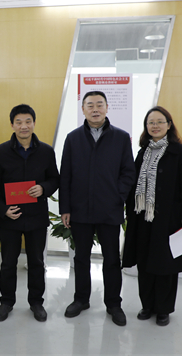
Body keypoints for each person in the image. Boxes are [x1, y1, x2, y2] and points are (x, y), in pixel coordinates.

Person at [59, 90, 135, 326]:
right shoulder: (73, 138)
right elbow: (65, 176)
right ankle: (81, 299)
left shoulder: (121, 138)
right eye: (90, 105)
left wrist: (117, 197)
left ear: (107, 108)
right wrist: (65, 208)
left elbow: (128, 172)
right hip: (80, 210)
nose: (95, 109)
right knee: (81, 258)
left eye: (99, 105)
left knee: (111, 259)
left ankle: (113, 304)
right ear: (83, 109)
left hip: (109, 210)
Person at [122, 106, 182, 327]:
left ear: (169, 124)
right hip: (142, 217)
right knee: (144, 262)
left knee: (165, 265)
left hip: (168, 218)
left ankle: (163, 309)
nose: (155, 126)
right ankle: (147, 305)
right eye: (150, 122)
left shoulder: (180, 152)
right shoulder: (142, 152)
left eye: (159, 122)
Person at [0, 104, 59, 322]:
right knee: (8, 263)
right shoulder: (0, 152)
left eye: (28, 121)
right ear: (12, 125)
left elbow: (55, 179)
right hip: (10, 217)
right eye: (19, 122)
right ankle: (6, 302)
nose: (24, 126)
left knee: (37, 262)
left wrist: (43, 188)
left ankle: (36, 302)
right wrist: (3, 210)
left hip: (37, 217)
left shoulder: (46, 151)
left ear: (34, 123)